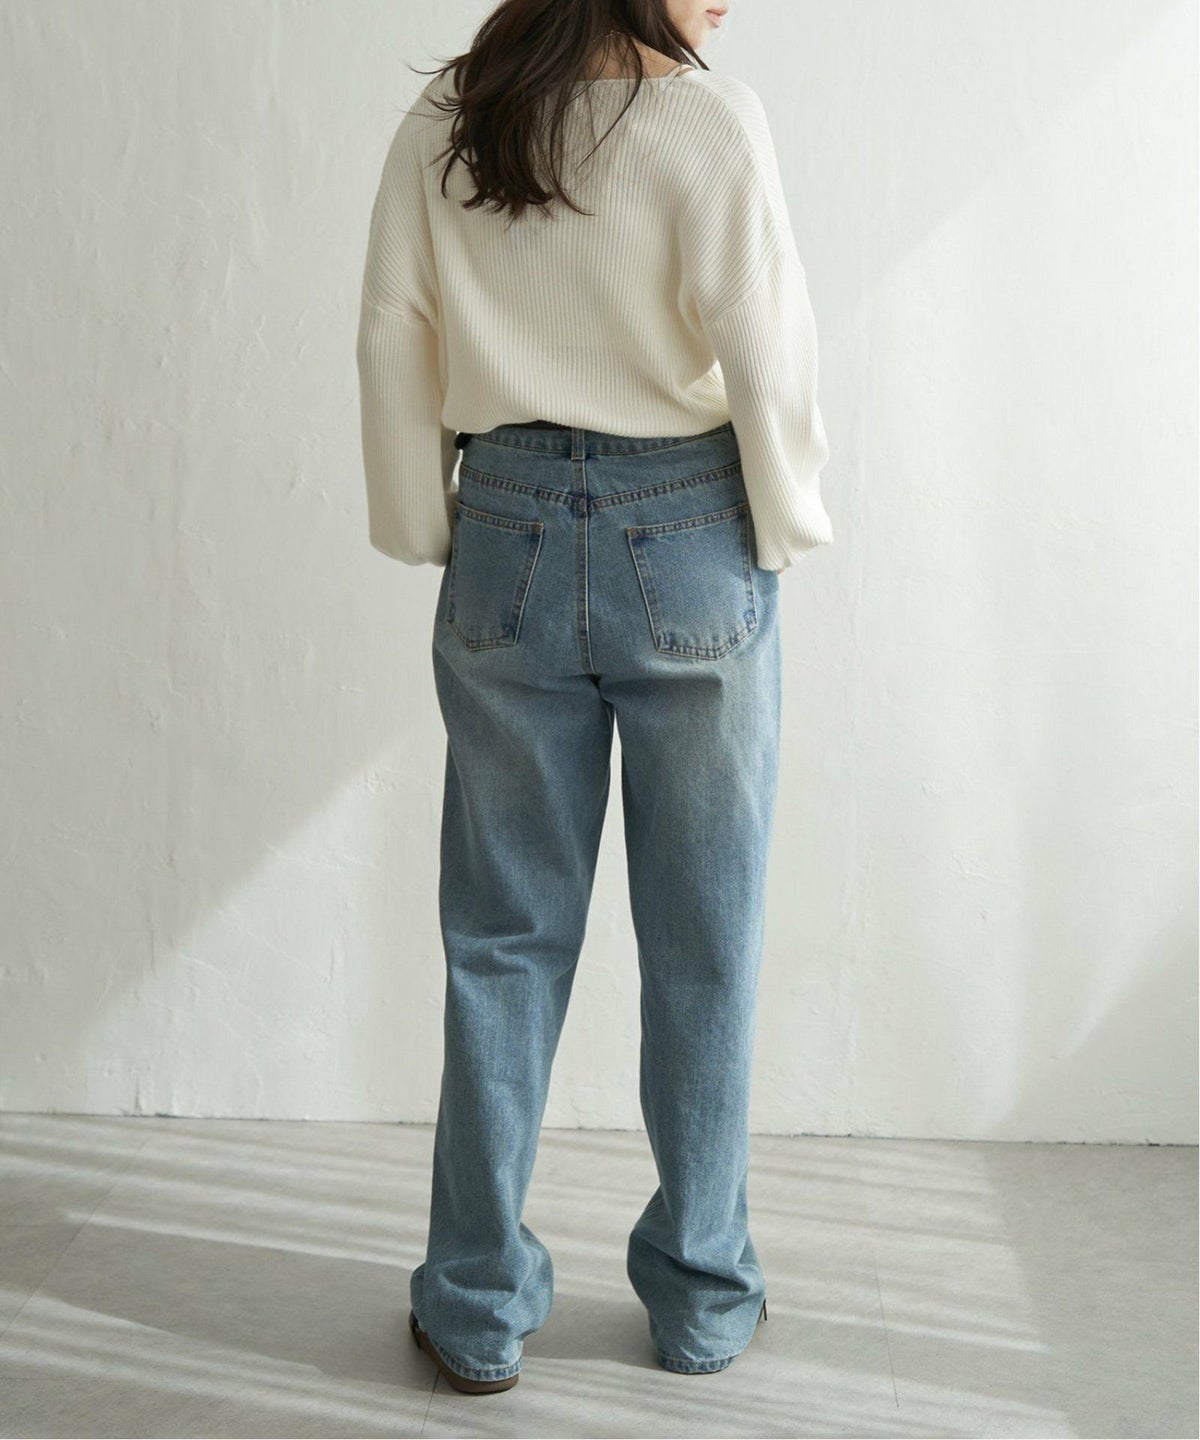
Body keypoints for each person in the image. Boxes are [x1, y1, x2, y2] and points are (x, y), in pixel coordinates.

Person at [356, 0, 832, 1394]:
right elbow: (765, 344)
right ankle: (702, 1292)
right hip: (688, 533)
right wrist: (786, 520)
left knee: (501, 938)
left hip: (504, 524)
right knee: (706, 937)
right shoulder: (709, 120)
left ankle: (474, 1301)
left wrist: (423, 523)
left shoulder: (457, 109)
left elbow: (392, 332)